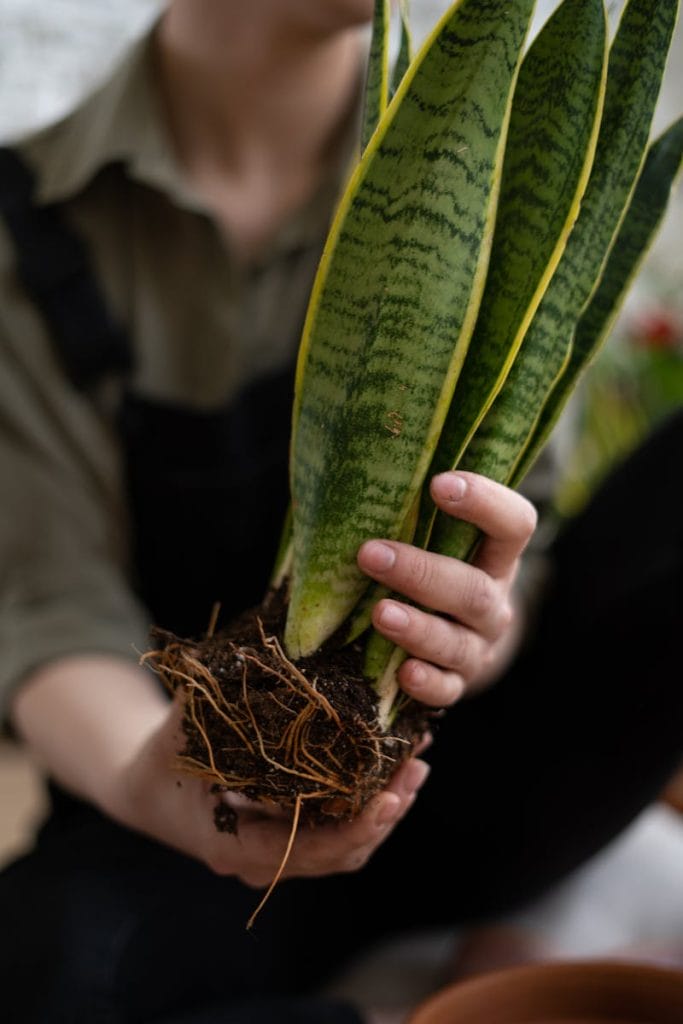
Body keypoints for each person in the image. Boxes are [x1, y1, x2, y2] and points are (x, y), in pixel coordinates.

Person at [0, 2, 680, 1022]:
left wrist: (468, 632)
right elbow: (47, 602)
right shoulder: (25, 219)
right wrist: (167, 787)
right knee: (45, 963)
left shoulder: (491, 153)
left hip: (467, 777)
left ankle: (543, 910)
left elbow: (518, 546)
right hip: (191, 805)